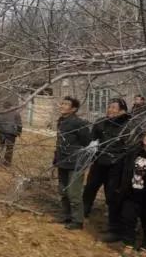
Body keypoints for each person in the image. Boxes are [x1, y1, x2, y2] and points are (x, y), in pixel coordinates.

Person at [82, 98, 131, 241]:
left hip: (117, 165)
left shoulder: (128, 125)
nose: (110, 109)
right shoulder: (101, 122)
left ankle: (114, 229)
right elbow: (92, 139)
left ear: (122, 110)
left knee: (112, 196)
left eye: (114, 107)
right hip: (99, 162)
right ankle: (82, 214)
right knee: (90, 188)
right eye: (109, 107)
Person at [54, 96, 92, 230]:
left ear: (74, 109)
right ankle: (66, 216)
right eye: (62, 103)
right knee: (63, 190)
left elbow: (87, 141)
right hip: (63, 161)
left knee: (74, 193)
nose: (62, 106)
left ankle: (77, 221)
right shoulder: (61, 121)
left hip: (76, 163)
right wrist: (56, 159)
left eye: (66, 104)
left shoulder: (79, 123)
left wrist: (74, 151)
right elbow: (59, 143)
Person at [118, 131, 146, 256]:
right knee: (128, 217)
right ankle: (129, 244)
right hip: (132, 192)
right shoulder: (134, 152)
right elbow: (123, 170)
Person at [0, 101, 22, 166]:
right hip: (11, 133)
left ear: (3, 106)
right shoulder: (16, 114)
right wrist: (19, 132)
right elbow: (19, 125)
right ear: (11, 106)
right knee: (9, 148)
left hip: (1, 132)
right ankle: (7, 163)